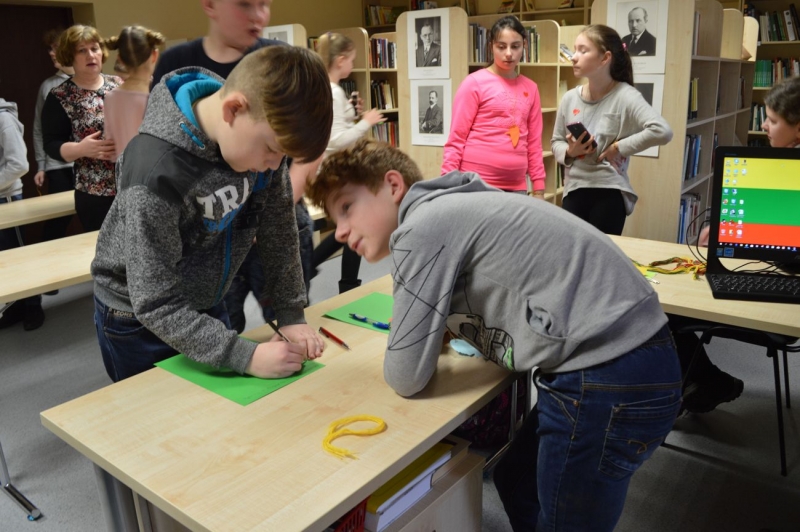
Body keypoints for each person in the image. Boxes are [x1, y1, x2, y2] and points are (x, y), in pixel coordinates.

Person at [307, 138, 682, 532]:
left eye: (347, 208)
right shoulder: (457, 204)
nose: (342, 232)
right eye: (334, 222)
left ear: (393, 185)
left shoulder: (421, 226)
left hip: (609, 375)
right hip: (635, 358)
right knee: (516, 482)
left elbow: (405, 375)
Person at [91, 45, 332, 382]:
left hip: (203, 301)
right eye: (272, 150)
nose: (275, 166)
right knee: (158, 424)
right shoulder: (155, 170)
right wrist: (243, 356)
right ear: (233, 109)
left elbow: (279, 229)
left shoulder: (261, 136)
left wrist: (291, 313)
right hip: (135, 318)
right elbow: (154, 301)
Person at [671, 76, 800, 414]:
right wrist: (723, 231)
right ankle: (707, 382)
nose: (765, 126)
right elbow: (771, 233)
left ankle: (710, 383)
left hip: (785, 301)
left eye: (773, 120)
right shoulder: (777, 166)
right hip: (782, 280)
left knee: (666, 317)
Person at [553, 24, 672, 235]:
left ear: (604, 58)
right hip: (574, 189)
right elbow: (556, 142)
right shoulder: (570, 98)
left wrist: (618, 148)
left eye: (583, 50)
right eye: (574, 49)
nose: (573, 57)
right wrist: (570, 152)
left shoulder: (626, 95)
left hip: (609, 191)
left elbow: (662, 130)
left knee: (602, 261)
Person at [311, 31, 385, 294]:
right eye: (352, 60)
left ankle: (345, 285)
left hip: (335, 172)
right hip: (333, 173)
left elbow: (336, 125)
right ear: (340, 60)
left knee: (352, 228)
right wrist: (367, 121)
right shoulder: (332, 92)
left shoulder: (330, 89)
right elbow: (336, 140)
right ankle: (316, 270)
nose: (353, 66)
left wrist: (353, 111)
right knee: (353, 227)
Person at [443, 16, 545, 196]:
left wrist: (539, 188)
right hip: (476, 184)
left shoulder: (532, 88)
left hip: (517, 187)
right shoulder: (473, 83)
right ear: (491, 46)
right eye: (501, 46)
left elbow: (534, 144)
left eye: (515, 46)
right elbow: (456, 139)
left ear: (524, 46)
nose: (508, 53)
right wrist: (446, 183)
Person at [42, 25, 122, 232]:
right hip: (94, 193)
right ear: (70, 56)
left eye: (95, 48)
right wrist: (82, 149)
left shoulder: (119, 84)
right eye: (82, 50)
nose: (91, 55)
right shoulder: (60, 96)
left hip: (132, 185)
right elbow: (51, 144)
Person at [0, 94, 45, 331]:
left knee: (18, 256)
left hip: (6, 198)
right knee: (5, 260)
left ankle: (32, 305)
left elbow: (19, 164)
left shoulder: (3, 119)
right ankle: (16, 305)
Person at [33, 29, 75, 246]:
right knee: (58, 220)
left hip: (91, 164)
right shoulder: (48, 86)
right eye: (49, 49)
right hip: (57, 165)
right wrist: (41, 165)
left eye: (55, 48)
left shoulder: (98, 82)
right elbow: (39, 128)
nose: (51, 53)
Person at [104, 26, 165, 158]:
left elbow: (110, 149)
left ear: (120, 58)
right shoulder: (161, 96)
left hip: (126, 175)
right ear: (154, 55)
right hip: (157, 174)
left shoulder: (110, 98)